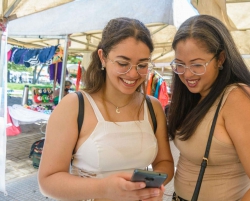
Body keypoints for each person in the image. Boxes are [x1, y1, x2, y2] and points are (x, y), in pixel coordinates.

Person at [38, 17, 174, 201]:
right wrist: (103, 189)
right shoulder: (74, 106)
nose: (133, 73)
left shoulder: (152, 107)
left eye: (142, 65)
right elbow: (48, 181)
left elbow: (164, 162)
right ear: (103, 57)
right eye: (123, 63)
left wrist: (148, 187)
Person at [167, 15, 250, 201]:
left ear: (220, 58)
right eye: (180, 65)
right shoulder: (195, 96)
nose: (187, 74)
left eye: (197, 65)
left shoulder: (238, 99)